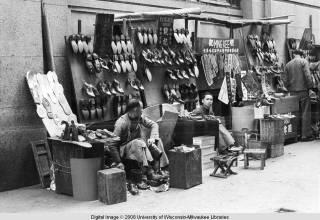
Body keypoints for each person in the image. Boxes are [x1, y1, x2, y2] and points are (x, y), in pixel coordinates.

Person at [110, 99, 169, 183]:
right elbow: (112, 144)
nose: (143, 110)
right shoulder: (121, 123)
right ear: (135, 110)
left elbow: (154, 125)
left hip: (138, 145)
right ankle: (149, 173)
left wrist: (152, 138)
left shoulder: (139, 117)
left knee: (157, 140)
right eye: (141, 108)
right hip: (124, 149)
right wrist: (118, 162)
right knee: (139, 142)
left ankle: (159, 169)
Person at [282, 50, 314, 141]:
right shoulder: (304, 62)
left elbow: (284, 79)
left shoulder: (288, 64)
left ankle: (295, 135)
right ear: (301, 55)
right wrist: (310, 87)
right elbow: (308, 76)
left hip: (292, 93)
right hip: (303, 91)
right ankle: (305, 135)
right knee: (305, 113)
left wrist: (288, 88)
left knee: (294, 114)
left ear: (294, 55)